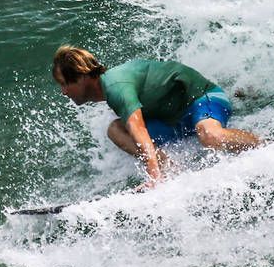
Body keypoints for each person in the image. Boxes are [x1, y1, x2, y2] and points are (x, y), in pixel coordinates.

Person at [51, 45, 262, 189]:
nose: (63, 92)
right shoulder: (110, 89)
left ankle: (265, 145)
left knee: (211, 137)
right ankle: (170, 169)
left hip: (202, 98)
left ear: (81, 77)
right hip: (175, 120)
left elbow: (138, 128)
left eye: (64, 84)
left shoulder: (115, 86)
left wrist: (153, 177)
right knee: (115, 130)